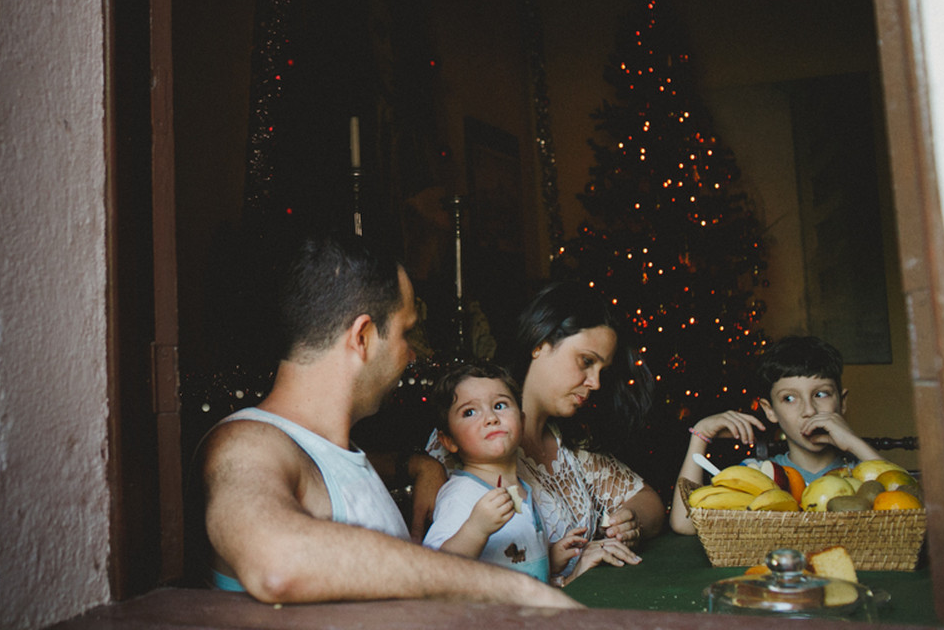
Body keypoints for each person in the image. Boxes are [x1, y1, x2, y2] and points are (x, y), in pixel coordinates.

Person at [197, 233, 581, 608]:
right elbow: (276, 561)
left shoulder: (332, 450)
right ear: (362, 336)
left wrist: (419, 465)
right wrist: (511, 587)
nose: (412, 355)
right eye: (406, 333)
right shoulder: (245, 444)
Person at [423, 281, 665, 585]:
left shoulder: (573, 445)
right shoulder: (467, 444)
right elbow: (437, 569)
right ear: (540, 343)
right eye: (586, 361)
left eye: (601, 370)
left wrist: (627, 524)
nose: (595, 383)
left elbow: (650, 504)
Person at [670, 335, 885, 534]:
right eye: (789, 398)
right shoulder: (757, 474)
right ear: (769, 410)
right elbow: (684, 523)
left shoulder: (862, 472)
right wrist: (699, 436)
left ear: (842, 402)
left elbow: (901, 505)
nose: (809, 410)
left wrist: (853, 442)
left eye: (821, 394)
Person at [423, 361, 570, 582]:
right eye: (469, 412)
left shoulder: (523, 488)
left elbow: (516, 562)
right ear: (449, 440)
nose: (491, 418)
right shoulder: (460, 495)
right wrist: (475, 530)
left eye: (500, 405)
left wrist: (550, 560)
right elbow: (435, 570)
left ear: (521, 422)